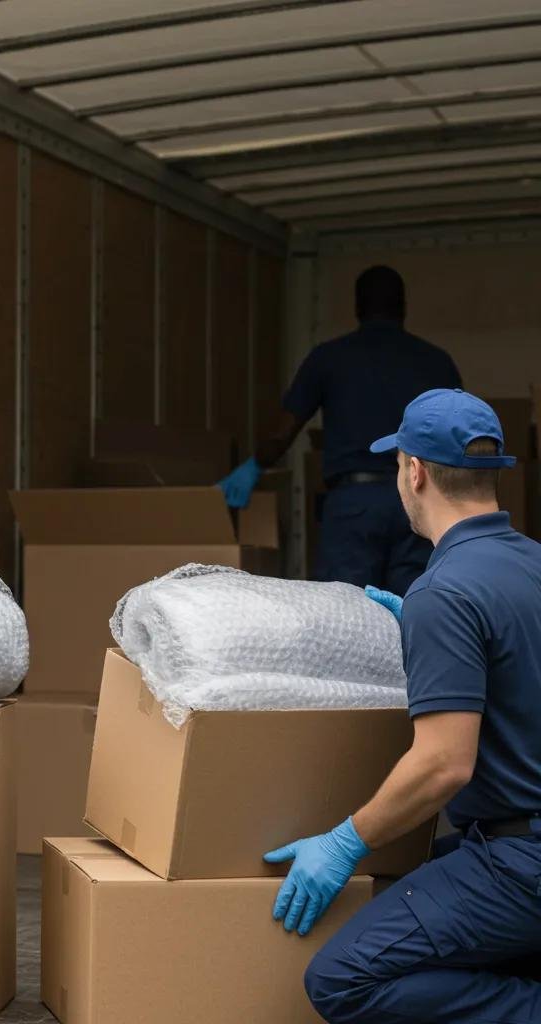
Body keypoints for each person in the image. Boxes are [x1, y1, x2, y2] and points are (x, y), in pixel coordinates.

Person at [264, 388, 541, 1023]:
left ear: (412, 471)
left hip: (521, 862)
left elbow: (445, 765)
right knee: (410, 877)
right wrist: (430, 639)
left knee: (341, 980)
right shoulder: (529, 563)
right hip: (522, 842)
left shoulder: (444, 591)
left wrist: (342, 843)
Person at [219, 265, 461, 594]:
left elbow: (284, 433)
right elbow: (457, 440)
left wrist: (253, 466)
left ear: (357, 308)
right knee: (417, 605)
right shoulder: (437, 361)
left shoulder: (329, 357)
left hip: (353, 505)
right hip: (418, 497)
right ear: (404, 308)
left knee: (347, 612)